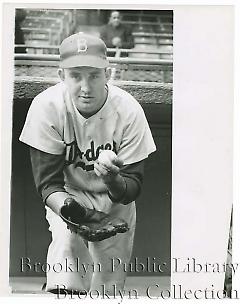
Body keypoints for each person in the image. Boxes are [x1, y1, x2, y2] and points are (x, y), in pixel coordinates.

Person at [19, 32, 156, 296]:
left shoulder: (128, 110)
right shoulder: (47, 106)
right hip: (69, 196)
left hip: (116, 204)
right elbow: (48, 184)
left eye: (94, 75)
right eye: (75, 76)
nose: (85, 86)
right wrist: (74, 212)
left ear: (109, 73)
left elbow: (133, 185)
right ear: (61, 76)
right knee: (66, 264)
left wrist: (113, 180)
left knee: (107, 290)